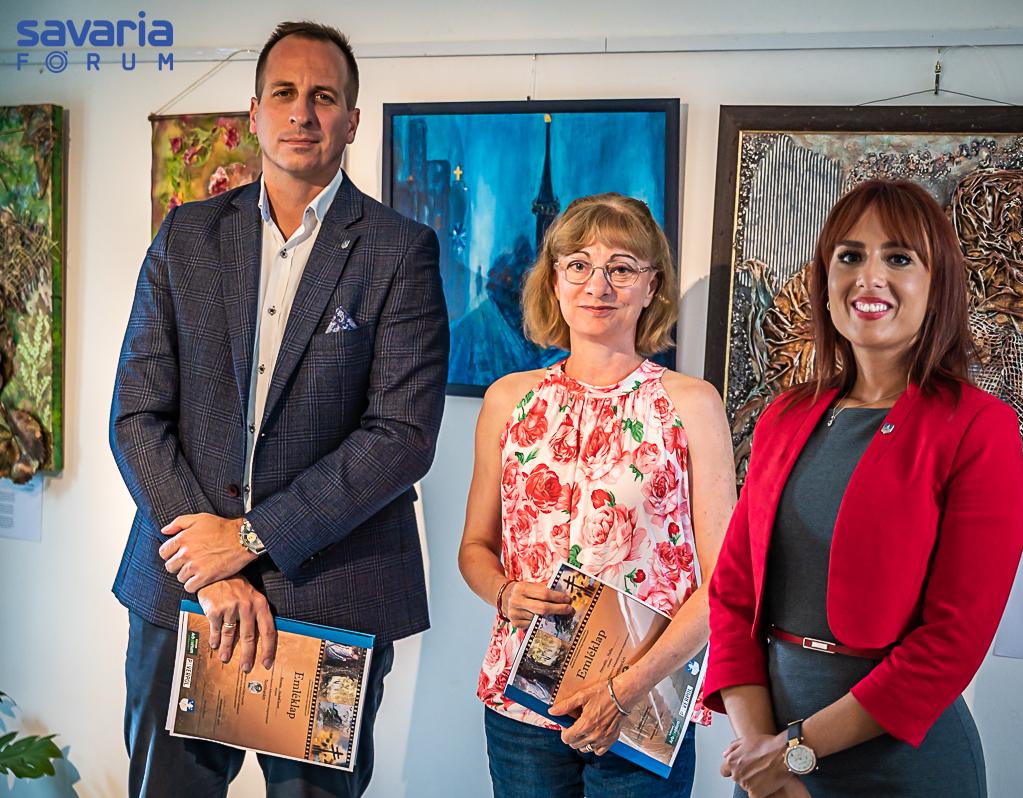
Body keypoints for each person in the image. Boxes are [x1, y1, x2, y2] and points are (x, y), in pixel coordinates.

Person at [110, 21, 448, 797]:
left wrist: (248, 539)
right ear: (255, 113)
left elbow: (400, 438)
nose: (303, 112)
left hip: (331, 593)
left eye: (324, 97)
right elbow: (135, 415)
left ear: (352, 121)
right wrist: (207, 566)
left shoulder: (400, 251)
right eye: (285, 93)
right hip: (183, 593)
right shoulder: (187, 236)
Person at [703, 179, 1023, 798]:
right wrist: (765, 757)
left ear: (938, 285)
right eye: (850, 256)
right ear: (825, 283)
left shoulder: (978, 426)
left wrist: (794, 751)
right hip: (768, 761)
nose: (869, 277)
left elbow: (952, 640)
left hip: (901, 768)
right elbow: (732, 597)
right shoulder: (784, 417)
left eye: (899, 258)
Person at [458, 193, 736, 798]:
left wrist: (626, 688)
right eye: (579, 264)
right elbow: (475, 548)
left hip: (642, 701)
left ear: (651, 286)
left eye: (621, 267)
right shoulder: (508, 399)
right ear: (554, 279)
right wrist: (504, 594)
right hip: (523, 702)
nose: (598, 284)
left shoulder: (691, 404)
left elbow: (725, 583)